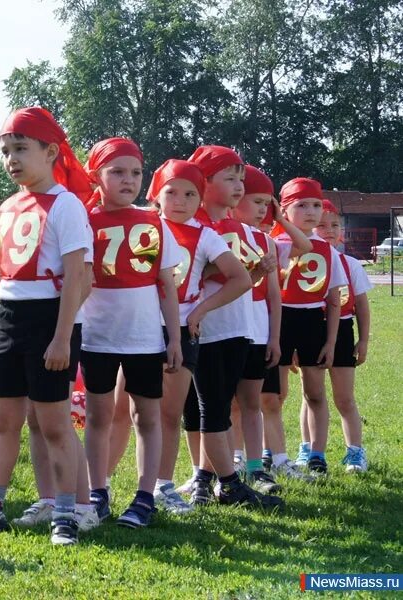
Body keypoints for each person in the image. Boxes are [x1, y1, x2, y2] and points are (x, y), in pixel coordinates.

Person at [0, 106, 93, 546]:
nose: (11, 158)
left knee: (55, 423)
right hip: (11, 321)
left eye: (21, 148)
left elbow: (79, 277)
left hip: (49, 322)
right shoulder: (7, 208)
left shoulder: (67, 206)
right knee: (5, 419)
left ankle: (65, 513)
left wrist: (62, 336)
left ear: (51, 151)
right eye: (5, 151)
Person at [80, 138, 182, 528]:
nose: (128, 180)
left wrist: (173, 338)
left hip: (143, 336)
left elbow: (167, 285)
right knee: (98, 415)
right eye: (117, 172)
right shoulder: (84, 219)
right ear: (97, 176)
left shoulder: (153, 222)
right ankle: (97, 490)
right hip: (97, 334)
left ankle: (144, 496)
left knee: (147, 416)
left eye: (136, 172)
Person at [148, 159, 249, 514]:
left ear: (200, 197)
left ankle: (161, 485)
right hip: (137, 326)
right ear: (156, 195)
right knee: (121, 413)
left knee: (169, 412)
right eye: (171, 192)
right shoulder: (145, 225)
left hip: (178, 328)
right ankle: (100, 489)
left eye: (190, 194)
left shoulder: (205, 234)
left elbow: (241, 278)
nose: (180, 200)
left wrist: (199, 310)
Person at [185, 145, 282, 509]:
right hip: (207, 328)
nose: (239, 186)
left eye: (241, 178)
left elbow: (245, 280)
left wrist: (251, 274)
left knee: (223, 410)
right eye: (230, 178)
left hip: (239, 327)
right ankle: (218, 482)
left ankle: (211, 480)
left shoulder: (238, 229)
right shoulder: (196, 228)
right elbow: (194, 272)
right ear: (205, 182)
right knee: (210, 410)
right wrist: (234, 270)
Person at [228, 165, 308, 493]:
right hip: (227, 325)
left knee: (251, 400)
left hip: (258, 328)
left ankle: (254, 465)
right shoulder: (219, 232)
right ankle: (230, 460)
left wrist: (274, 336)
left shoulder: (266, 240)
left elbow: (274, 293)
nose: (263, 209)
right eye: (257, 201)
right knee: (229, 402)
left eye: (268, 203)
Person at [272, 178, 347, 476]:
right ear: (285, 211)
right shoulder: (275, 244)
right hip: (279, 320)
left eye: (316, 204)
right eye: (302, 205)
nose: (311, 211)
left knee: (314, 392)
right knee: (274, 394)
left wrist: (330, 342)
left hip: (311, 321)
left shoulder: (328, 251)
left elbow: (333, 301)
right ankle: (271, 451)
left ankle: (316, 453)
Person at [310, 199, 371, 472]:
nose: (329, 230)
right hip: (311, 327)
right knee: (312, 395)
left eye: (335, 225)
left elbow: (361, 306)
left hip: (344, 328)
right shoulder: (306, 261)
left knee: (344, 397)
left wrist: (364, 340)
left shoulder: (351, 265)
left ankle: (355, 451)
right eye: (322, 225)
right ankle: (309, 450)